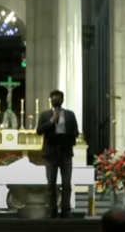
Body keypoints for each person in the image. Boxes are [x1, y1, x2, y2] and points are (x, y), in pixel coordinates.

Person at [36, 89, 79, 218]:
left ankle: (66, 210)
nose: (56, 102)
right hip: (51, 154)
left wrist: (69, 136)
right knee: (51, 184)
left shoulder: (70, 115)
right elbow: (39, 131)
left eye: (58, 99)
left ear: (62, 100)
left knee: (66, 184)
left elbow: (76, 131)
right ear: (51, 101)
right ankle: (52, 210)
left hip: (65, 152)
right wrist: (51, 121)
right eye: (53, 99)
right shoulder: (45, 115)